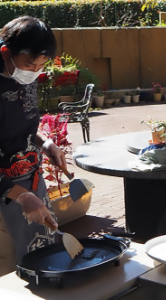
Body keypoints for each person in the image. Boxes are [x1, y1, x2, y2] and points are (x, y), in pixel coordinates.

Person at [0, 16, 65, 276]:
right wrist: (22, 196)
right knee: (8, 266)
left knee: (43, 253)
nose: (35, 71)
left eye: (41, 65)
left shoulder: (25, 75)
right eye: (30, 64)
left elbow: (23, 123)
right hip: (5, 189)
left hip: (31, 180)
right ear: (6, 53)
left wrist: (46, 143)